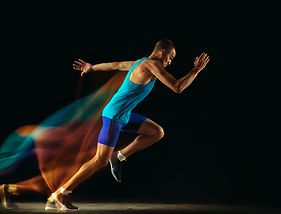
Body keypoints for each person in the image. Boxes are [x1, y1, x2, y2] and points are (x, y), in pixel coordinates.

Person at [48, 39, 210, 211]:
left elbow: (116, 65)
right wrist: (196, 70)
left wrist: (92, 67)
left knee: (156, 132)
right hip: (114, 116)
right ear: (162, 51)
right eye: (171, 57)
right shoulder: (152, 65)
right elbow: (177, 87)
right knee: (99, 161)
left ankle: (118, 156)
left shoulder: (140, 63)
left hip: (124, 115)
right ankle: (62, 193)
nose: (170, 62)